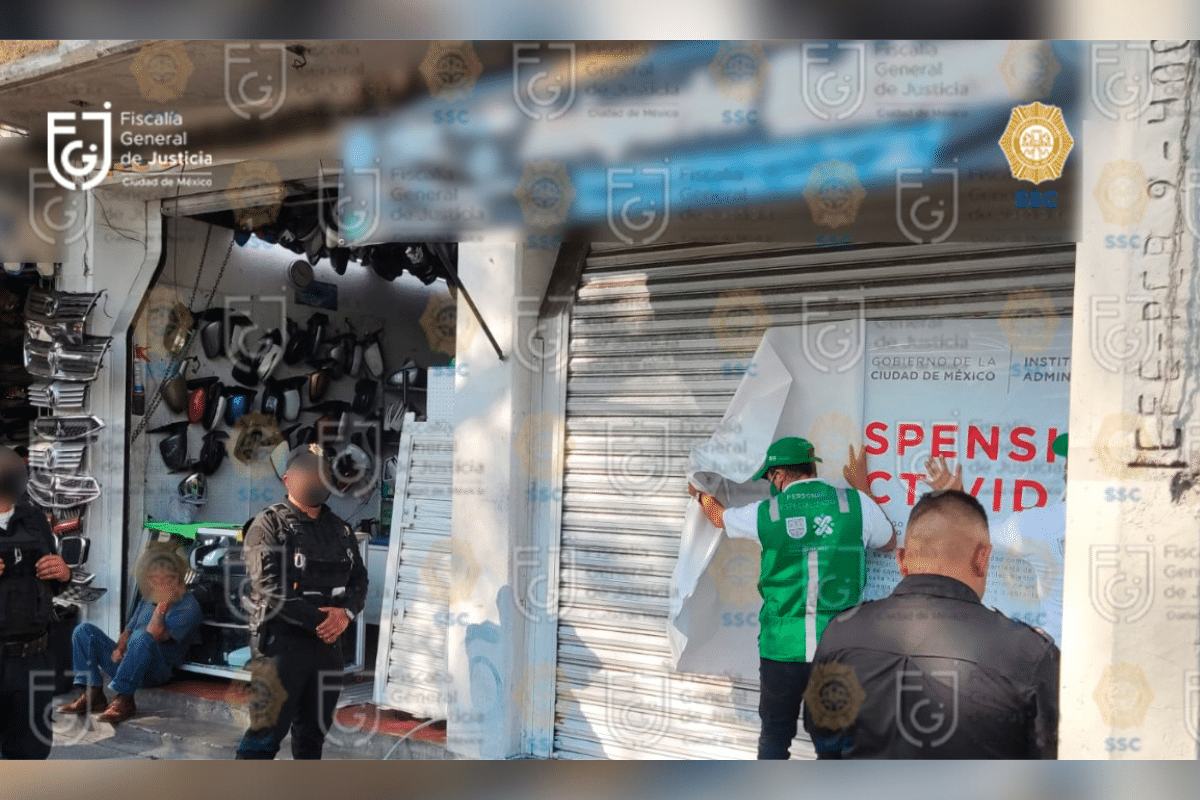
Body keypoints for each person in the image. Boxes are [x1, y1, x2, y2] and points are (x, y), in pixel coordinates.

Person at [802, 489, 1060, 759]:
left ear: (901, 560)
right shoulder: (1030, 655)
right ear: (982, 558)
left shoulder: (840, 632)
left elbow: (823, 739)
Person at [688, 437, 897, 759]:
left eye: (771, 477)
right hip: (837, 650)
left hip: (781, 649)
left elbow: (719, 518)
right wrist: (863, 489)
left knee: (774, 736)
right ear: (812, 467)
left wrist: (702, 495)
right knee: (833, 745)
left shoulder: (766, 512)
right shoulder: (854, 503)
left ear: (780, 474)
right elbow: (888, 541)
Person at [235, 443, 368, 759]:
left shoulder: (341, 529)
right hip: (281, 647)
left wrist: (346, 613)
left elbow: (359, 581)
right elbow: (270, 588)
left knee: (312, 739)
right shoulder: (268, 525)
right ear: (288, 480)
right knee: (264, 738)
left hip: (327, 649)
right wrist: (325, 622)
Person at [924, 434, 1067, 647]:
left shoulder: (1043, 523)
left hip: (1061, 655)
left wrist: (956, 497)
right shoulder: (1130, 518)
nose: (1065, 467)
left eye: (1069, 462)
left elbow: (978, 533)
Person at [58, 549, 201, 723]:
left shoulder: (188, 606)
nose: (160, 582)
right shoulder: (147, 599)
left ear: (178, 579)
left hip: (156, 672)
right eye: (154, 578)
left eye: (167, 578)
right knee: (83, 631)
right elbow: (128, 630)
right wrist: (119, 647)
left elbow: (154, 634)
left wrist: (164, 602)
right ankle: (92, 694)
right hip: (128, 663)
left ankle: (124, 699)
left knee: (142, 637)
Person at [0, 445, 72, 759]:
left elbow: (50, 587)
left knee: (32, 752)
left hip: (34, 659)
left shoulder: (34, 519)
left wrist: (63, 573)